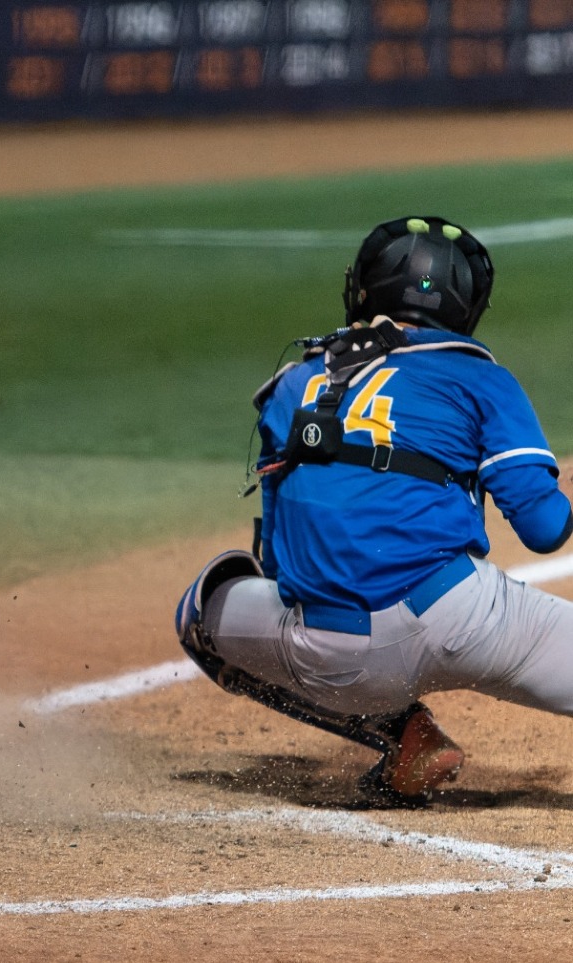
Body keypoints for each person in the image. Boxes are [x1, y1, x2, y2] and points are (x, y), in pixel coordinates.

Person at [176, 216, 573, 807]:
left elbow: (279, 560)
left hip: (329, 650)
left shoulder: (294, 383)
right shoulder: (478, 375)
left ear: (362, 291)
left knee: (202, 610)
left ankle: (405, 735)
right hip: (464, 620)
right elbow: (544, 530)